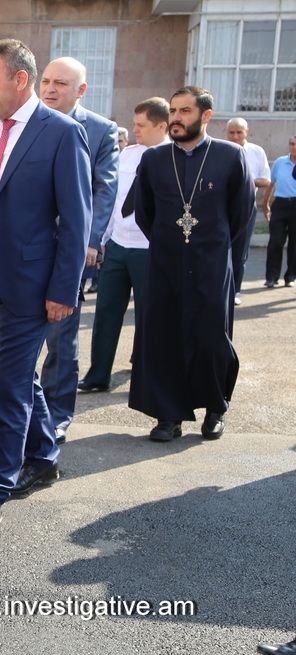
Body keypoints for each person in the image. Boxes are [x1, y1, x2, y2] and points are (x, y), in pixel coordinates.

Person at [0, 39, 90, 539]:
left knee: (9, 387)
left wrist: (64, 290)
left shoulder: (62, 133)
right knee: (14, 375)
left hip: (32, 286)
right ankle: (45, 455)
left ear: (20, 79)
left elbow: (76, 220)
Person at [129, 86, 252, 442]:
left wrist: (211, 245)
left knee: (210, 337)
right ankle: (169, 415)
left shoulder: (230, 156)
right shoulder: (154, 158)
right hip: (165, 262)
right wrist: (170, 243)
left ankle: (215, 408)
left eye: (185, 111)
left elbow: (241, 214)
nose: (176, 118)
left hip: (211, 262)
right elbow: (145, 214)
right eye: (173, 111)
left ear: (205, 116)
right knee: (165, 336)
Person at [37, 56, 119, 444]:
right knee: (13, 336)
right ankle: (15, 401)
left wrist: (90, 240)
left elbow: (105, 188)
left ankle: (56, 414)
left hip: (69, 250)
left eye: (61, 83)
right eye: (46, 81)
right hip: (24, 247)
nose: (50, 89)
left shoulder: (100, 130)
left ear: (81, 90)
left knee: (60, 336)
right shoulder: (28, 121)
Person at [79, 97, 170, 393]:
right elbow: (113, 199)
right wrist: (103, 238)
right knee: (106, 311)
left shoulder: (173, 158)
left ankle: (146, 372)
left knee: (149, 315)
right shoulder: (127, 155)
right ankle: (98, 374)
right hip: (118, 246)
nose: (135, 130)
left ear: (162, 126)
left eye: (141, 125)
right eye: (134, 124)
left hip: (149, 249)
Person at [225, 117, 271, 303]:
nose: (235, 136)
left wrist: (245, 181)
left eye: (239, 132)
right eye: (231, 132)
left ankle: (235, 290)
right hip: (222, 205)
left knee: (240, 249)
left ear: (247, 132)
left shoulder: (256, 152)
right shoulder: (220, 150)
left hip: (246, 204)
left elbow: (266, 180)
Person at [264, 135, 296, 288]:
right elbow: (271, 184)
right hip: (281, 204)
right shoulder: (280, 162)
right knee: (276, 241)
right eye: (292, 144)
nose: (294, 147)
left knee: (294, 243)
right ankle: (271, 276)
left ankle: (290, 276)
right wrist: (266, 204)